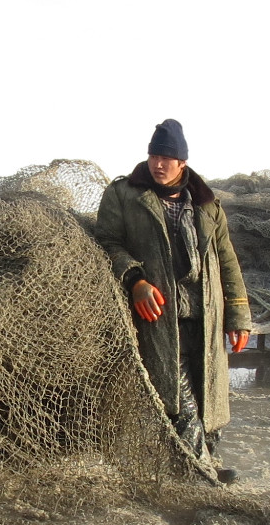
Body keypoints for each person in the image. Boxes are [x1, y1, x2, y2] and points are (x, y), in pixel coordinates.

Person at [94, 120, 251, 474]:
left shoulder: (208, 205)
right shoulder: (124, 194)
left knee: (207, 391)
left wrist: (239, 316)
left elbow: (227, 261)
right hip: (159, 316)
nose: (158, 164)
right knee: (177, 396)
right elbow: (106, 241)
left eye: (167, 157)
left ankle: (205, 459)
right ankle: (200, 472)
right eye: (154, 155)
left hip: (204, 314)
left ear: (182, 162)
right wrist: (135, 280)